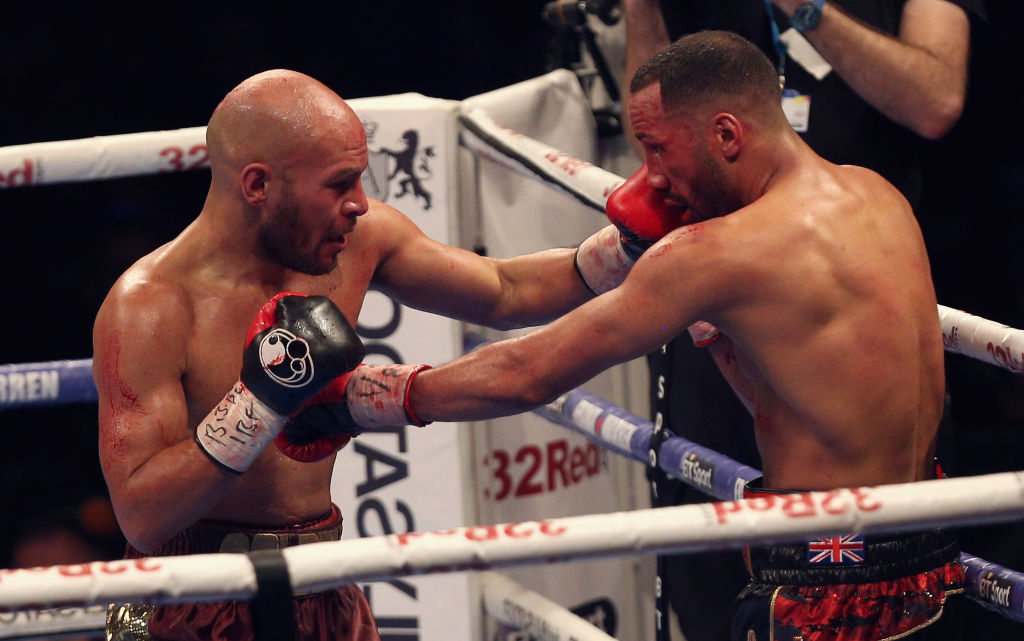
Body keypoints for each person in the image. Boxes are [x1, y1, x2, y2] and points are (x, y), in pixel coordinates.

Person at [308, 32, 964, 641]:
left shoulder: (717, 254)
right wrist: (715, 332)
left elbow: (529, 372)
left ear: (727, 134)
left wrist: (362, 398)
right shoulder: (879, 197)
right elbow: (813, 398)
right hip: (929, 558)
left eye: (658, 148)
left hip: (827, 572)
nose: (648, 176)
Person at [91, 68, 677, 641]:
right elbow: (143, 518)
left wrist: (626, 246)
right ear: (257, 186)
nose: (361, 205)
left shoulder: (354, 246)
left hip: (322, 582)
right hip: (194, 595)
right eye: (339, 184)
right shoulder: (149, 308)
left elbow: (507, 290)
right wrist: (259, 404)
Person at [618, 2, 981, 639]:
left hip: (860, 301)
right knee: (711, 571)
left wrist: (803, 7)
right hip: (714, 289)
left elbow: (936, 100)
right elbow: (653, 133)